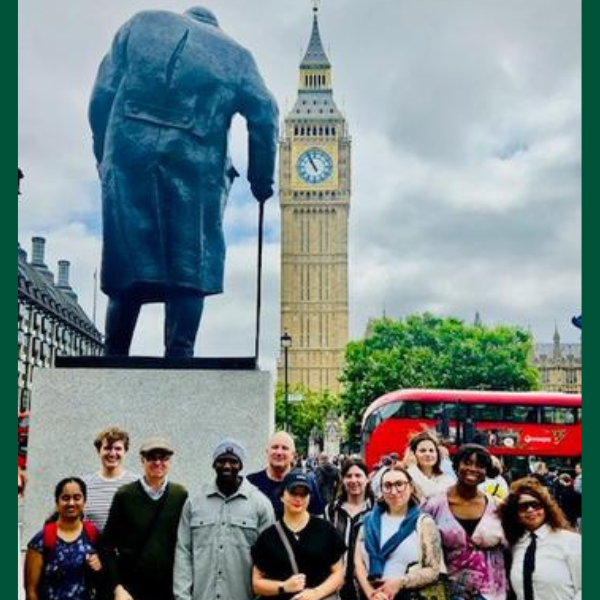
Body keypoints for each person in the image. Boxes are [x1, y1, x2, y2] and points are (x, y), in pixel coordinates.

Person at [88, 6, 279, 357]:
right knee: (191, 260)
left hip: (128, 153)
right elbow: (265, 114)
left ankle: (114, 351)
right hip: (196, 165)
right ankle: (179, 352)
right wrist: (261, 179)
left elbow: (101, 95)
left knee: (126, 257)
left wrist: (104, 151)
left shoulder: (140, 22)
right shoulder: (237, 56)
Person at [173, 438, 275, 600]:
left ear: (241, 465)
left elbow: (269, 558)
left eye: (233, 462)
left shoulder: (260, 504)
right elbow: (183, 552)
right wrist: (182, 596)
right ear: (214, 464)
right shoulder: (194, 503)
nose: (227, 466)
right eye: (221, 461)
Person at [101, 437, 188, 600]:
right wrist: (117, 587)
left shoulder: (180, 495)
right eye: (151, 457)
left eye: (163, 457)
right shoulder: (124, 495)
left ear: (170, 461)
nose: (158, 462)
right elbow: (107, 545)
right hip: (131, 589)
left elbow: (186, 544)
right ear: (142, 460)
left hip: (168, 589)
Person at [423, 444, 507, 600]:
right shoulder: (434, 505)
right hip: (450, 591)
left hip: (493, 592)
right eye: (467, 463)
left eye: (480, 465)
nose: (473, 469)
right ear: (456, 466)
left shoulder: (498, 507)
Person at [251, 470, 346, 599]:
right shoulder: (269, 536)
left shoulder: (325, 529)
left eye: (304, 494)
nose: (298, 499)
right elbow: (257, 584)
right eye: (293, 492)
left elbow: (339, 573)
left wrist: (316, 593)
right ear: (281, 496)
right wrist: (284, 586)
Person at [354, 465, 443, 600]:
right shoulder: (368, 521)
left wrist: (401, 582)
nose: (394, 491)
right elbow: (358, 562)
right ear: (381, 490)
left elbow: (433, 569)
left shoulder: (424, 523)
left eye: (399, 484)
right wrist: (371, 593)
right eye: (387, 486)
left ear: (411, 487)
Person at [499, 477, 581, 600]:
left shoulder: (571, 541)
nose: (530, 510)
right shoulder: (515, 546)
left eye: (535, 505)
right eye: (523, 507)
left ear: (546, 507)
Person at [24, 477, 102, 600]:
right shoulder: (42, 539)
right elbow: (31, 591)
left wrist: (100, 564)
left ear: (84, 501)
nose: (71, 503)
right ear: (57, 502)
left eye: (77, 497)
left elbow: (105, 578)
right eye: (65, 498)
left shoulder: (93, 534)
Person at [324, 458, 374, 600]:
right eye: (349, 476)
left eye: (358, 475)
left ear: (367, 479)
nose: (353, 480)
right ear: (343, 480)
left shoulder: (377, 511)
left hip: (367, 584)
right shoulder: (332, 510)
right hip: (337, 584)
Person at [248, 431, 324, 517]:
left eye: (285, 448)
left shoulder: (308, 483)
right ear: (267, 451)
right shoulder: (251, 483)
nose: (279, 452)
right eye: (275, 447)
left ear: (293, 455)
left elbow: (318, 520)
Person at [83, 427, 138, 531]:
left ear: (125, 451)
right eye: (107, 448)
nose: (112, 453)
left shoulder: (138, 484)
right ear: (99, 451)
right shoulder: (84, 484)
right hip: (93, 547)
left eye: (118, 449)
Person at [403, 431, 455, 500]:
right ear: (412, 454)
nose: (428, 454)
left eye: (431, 450)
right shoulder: (404, 477)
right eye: (422, 450)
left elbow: (431, 493)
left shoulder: (448, 480)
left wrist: (412, 468)